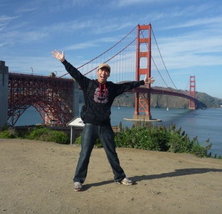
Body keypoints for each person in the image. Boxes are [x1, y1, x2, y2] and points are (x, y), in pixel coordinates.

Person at [52, 50, 155, 191]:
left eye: (106, 71)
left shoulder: (112, 88)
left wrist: (142, 82)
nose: (103, 73)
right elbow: (75, 73)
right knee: (84, 153)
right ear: (97, 72)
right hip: (90, 125)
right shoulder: (88, 84)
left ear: (108, 74)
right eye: (101, 70)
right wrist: (63, 61)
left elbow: (127, 85)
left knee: (111, 152)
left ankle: (119, 177)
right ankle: (78, 180)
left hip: (105, 125)